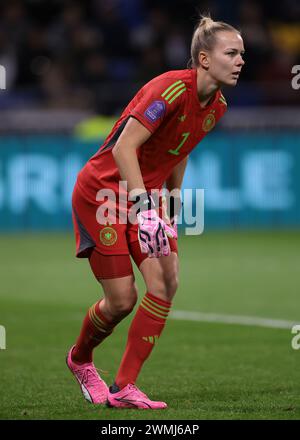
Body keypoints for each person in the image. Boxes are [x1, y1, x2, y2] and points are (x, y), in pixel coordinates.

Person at [66, 15, 245, 410]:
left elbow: (178, 149)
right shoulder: (167, 88)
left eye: (242, 54)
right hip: (104, 194)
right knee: (121, 301)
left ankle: (124, 386)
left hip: (144, 198)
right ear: (203, 58)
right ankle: (80, 359)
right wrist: (146, 207)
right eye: (231, 53)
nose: (240, 61)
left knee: (166, 281)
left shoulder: (217, 107)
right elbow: (121, 149)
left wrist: (174, 202)